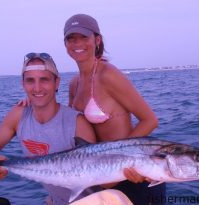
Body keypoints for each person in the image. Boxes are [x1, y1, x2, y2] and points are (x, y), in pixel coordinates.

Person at [63, 14, 165, 205]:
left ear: (97, 40)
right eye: (71, 38)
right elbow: (70, 126)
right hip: (98, 176)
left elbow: (150, 120)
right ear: (65, 44)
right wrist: (32, 103)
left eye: (84, 37)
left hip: (130, 176)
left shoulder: (108, 74)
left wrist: (123, 161)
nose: (77, 43)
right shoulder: (74, 84)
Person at [0, 52, 98, 205]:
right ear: (23, 84)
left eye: (44, 80)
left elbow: (99, 176)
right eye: (30, 81)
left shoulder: (77, 123)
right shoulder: (18, 115)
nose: (37, 88)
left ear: (57, 83)